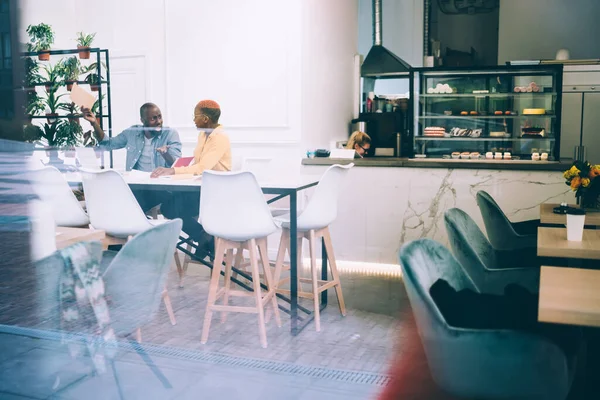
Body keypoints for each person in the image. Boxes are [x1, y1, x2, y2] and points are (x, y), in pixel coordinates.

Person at [152, 100, 231, 258]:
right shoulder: (203, 135)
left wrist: (173, 170)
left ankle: (205, 238)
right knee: (169, 206)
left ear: (206, 118)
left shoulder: (219, 138)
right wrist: (176, 169)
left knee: (171, 207)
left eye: (196, 116)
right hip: (201, 188)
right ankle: (204, 237)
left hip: (216, 192)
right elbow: (197, 164)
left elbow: (202, 168)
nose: (194, 120)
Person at [81, 103, 182, 212]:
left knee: (130, 203)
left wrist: (165, 154)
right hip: (137, 185)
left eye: (159, 117)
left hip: (160, 187)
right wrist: (94, 123)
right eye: (153, 118)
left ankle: (135, 222)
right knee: (113, 196)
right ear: (143, 120)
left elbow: (176, 165)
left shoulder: (170, 134)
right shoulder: (132, 133)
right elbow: (108, 144)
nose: (158, 121)